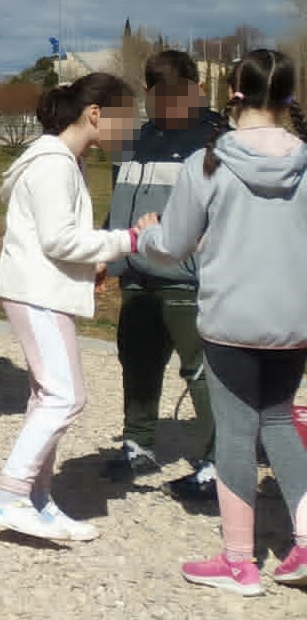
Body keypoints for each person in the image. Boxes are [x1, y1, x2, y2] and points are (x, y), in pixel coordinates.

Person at [137, 49, 307, 596]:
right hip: (293, 318)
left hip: (232, 319)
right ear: (287, 95)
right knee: (279, 420)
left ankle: (239, 561)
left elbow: (172, 246)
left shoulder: (207, 162)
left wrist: (147, 232)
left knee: (237, 433)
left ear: (231, 93)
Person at [0, 72, 146, 543]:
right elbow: (59, 239)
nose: (129, 129)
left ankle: (38, 500)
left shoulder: (63, 160)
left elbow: (53, 237)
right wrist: (128, 240)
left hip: (43, 289)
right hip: (36, 292)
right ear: (95, 114)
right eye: (124, 119)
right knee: (64, 396)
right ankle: (10, 497)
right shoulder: (53, 163)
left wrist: (96, 260)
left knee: (48, 396)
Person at [102, 50, 225, 497]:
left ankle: (216, 462)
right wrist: (109, 256)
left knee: (200, 371)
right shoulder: (134, 139)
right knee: (136, 360)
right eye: (158, 93)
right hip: (136, 272)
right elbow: (120, 201)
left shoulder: (215, 140)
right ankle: (139, 443)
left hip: (189, 279)